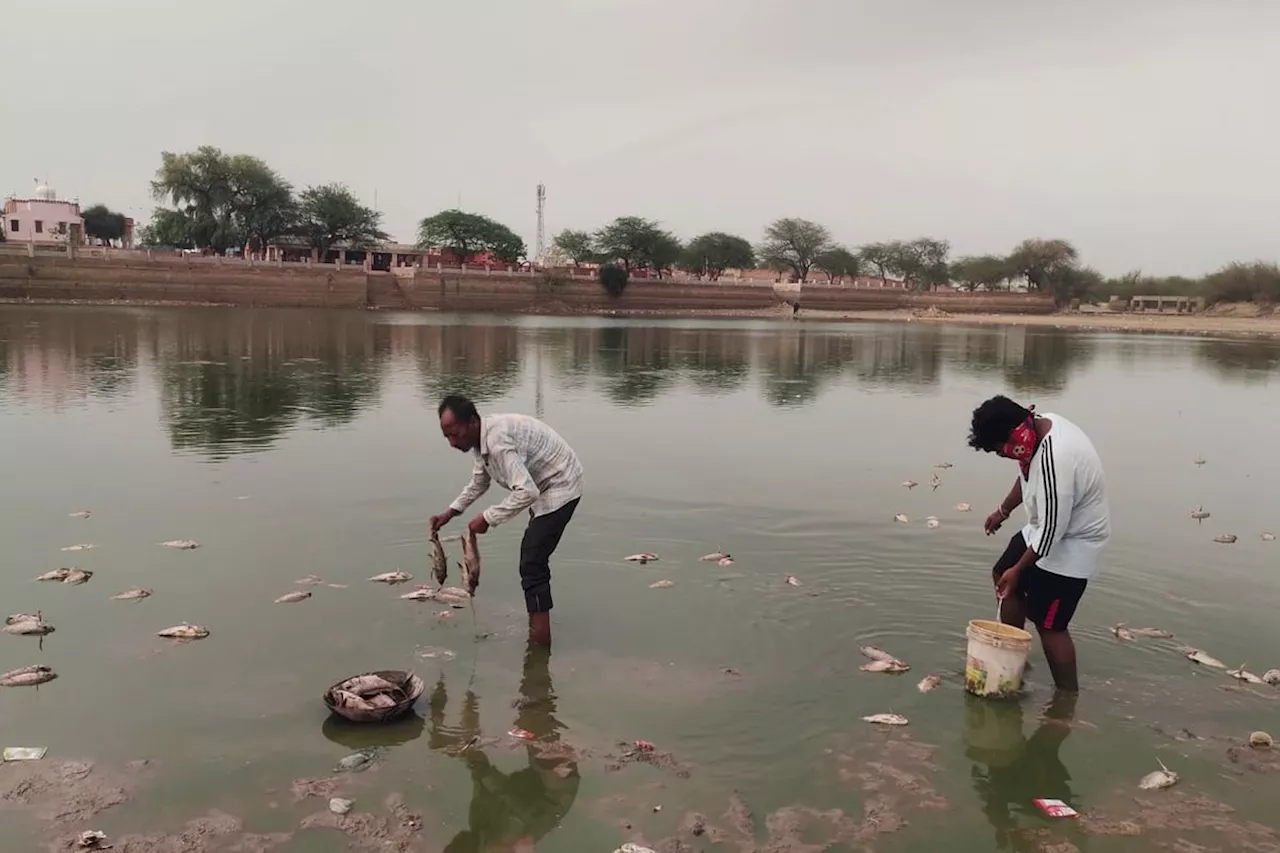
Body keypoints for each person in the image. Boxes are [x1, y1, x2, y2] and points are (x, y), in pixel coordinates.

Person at [968, 395, 1110, 692]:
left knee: (1050, 623)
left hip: (1073, 543)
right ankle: (1013, 656)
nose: (1003, 456)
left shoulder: (1056, 457)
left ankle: (1066, 698)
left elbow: (1053, 530)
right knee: (1002, 574)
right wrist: (1003, 510)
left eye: (999, 449)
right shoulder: (1037, 429)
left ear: (1014, 434)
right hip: (1043, 528)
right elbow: (1027, 474)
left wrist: (1019, 570)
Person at [429, 395, 584, 646]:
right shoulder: (481, 441)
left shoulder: (497, 442)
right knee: (533, 559)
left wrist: (487, 518)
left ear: (471, 422)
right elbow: (480, 481)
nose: (452, 443)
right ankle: (538, 626)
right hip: (543, 486)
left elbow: (527, 492)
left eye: (455, 434)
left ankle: (539, 643)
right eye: (447, 436)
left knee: (532, 563)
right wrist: (450, 512)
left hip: (561, 484)